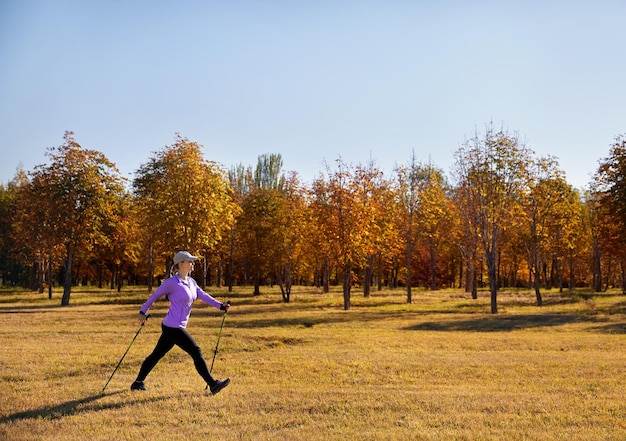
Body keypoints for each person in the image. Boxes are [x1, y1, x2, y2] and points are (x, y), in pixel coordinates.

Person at [130, 250, 231, 395]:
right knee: (196, 351)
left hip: (175, 327)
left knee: (156, 354)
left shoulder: (191, 282)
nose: (192, 263)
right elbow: (154, 295)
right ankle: (213, 384)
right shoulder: (172, 283)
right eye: (189, 261)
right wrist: (143, 311)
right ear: (180, 264)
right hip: (172, 327)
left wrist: (220, 305)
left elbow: (204, 296)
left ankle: (137, 383)